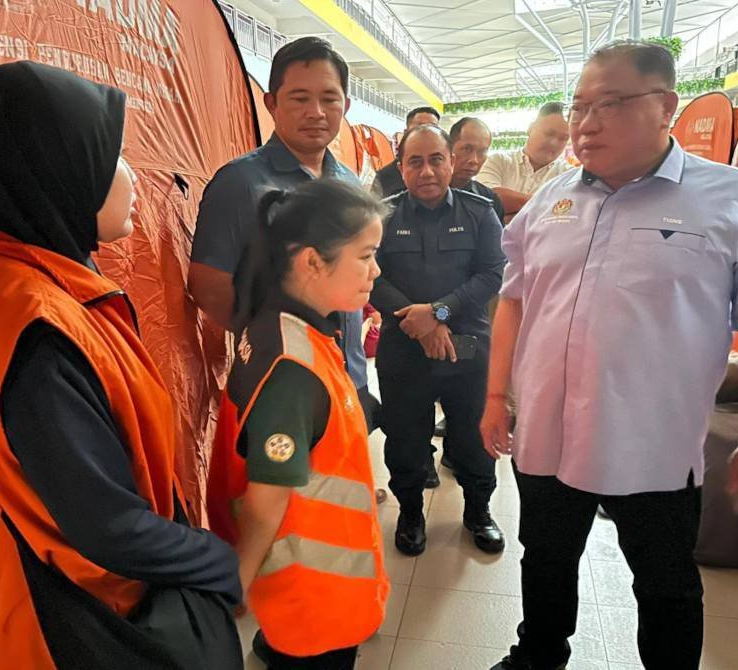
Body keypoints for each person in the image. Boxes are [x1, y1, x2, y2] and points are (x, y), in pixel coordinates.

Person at [480, 41, 738, 670]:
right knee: (547, 557)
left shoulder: (733, 199)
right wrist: (497, 396)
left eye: (609, 104)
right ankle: (538, 654)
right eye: (580, 106)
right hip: (547, 437)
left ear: (666, 106)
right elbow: (514, 301)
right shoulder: (554, 200)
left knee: (664, 584)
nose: (585, 123)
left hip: (654, 449)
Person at [0, 62, 242, 670]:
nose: (133, 177)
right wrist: (226, 566)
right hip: (84, 623)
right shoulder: (40, 333)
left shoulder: (5, 280)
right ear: (56, 172)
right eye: (111, 155)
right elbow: (110, 529)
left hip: (30, 581)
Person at [207, 180, 390, 669]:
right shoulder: (294, 369)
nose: (376, 271)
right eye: (366, 255)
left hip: (301, 587)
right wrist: (235, 587)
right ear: (312, 261)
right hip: (314, 596)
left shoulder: (275, 326)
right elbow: (267, 503)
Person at [189, 36, 377, 428]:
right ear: (271, 103)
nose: (316, 112)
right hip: (280, 381)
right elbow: (208, 283)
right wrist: (271, 339)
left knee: (338, 484)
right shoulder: (240, 183)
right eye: (299, 98)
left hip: (347, 376)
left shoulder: (350, 186)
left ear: (346, 105)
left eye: (329, 98)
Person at [372, 125, 506, 556]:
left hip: (465, 345)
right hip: (403, 348)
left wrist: (439, 313)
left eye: (435, 159)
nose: (426, 170)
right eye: (415, 161)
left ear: (450, 162)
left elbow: (491, 275)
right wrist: (421, 323)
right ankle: (411, 512)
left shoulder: (480, 212)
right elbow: (370, 276)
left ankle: (478, 511)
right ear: (401, 167)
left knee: (471, 435)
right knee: (406, 437)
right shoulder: (382, 216)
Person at [476, 102, 572, 220]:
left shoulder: (569, 175)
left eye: (563, 138)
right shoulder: (498, 161)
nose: (554, 143)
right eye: (549, 134)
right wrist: (549, 205)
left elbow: (566, 216)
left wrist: (507, 213)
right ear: (530, 128)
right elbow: (487, 198)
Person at [372, 106, 441, 198]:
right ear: (406, 133)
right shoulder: (385, 177)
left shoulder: (445, 172)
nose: (426, 134)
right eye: (420, 128)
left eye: (432, 129)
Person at [450, 117, 505, 222]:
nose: (474, 160)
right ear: (449, 147)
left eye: (482, 152)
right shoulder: (426, 192)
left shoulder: (489, 201)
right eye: (467, 149)